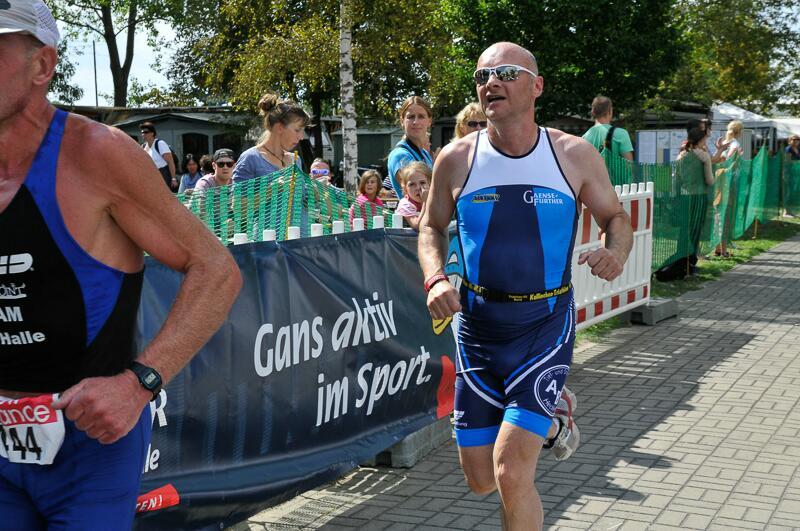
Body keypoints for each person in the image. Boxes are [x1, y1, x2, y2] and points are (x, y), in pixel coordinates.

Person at [0, 3, 242, 529]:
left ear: (42, 65)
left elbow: (215, 269)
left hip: (90, 444)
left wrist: (138, 384)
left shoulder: (96, 154)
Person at [418, 42, 633, 530]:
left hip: (543, 327)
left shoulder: (573, 154)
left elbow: (615, 218)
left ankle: (543, 411)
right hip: (477, 330)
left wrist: (616, 253)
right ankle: (554, 418)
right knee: (481, 480)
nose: (490, 82)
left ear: (536, 87)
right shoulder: (456, 157)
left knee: (511, 473)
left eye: (506, 73)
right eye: (482, 75)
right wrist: (434, 277)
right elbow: (430, 225)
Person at [232, 93, 309, 185]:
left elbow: (300, 194)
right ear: (279, 127)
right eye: (297, 130)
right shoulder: (250, 158)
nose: (301, 137)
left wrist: (316, 189)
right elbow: (236, 194)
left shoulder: (296, 159)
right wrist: (271, 189)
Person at [677, 126, 715, 272]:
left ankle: (681, 260)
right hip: (698, 197)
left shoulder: (681, 155)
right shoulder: (704, 156)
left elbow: (677, 177)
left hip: (684, 196)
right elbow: (710, 180)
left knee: (684, 230)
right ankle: (691, 262)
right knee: (695, 230)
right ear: (701, 139)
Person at [384, 96, 436, 198]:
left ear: (429, 121)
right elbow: (418, 196)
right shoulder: (400, 155)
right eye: (410, 117)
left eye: (421, 116)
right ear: (402, 121)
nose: (416, 122)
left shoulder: (425, 153)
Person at [582, 95, 634, 161]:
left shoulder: (584, 137)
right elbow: (628, 164)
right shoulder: (621, 133)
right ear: (610, 111)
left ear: (593, 112)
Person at [140, 121, 178, 191]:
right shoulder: (143, 147)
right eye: (142, 132)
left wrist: (173, 179)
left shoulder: (160, 143)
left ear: (152, 133)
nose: (143, 134)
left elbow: (170, 161)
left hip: (163, 175)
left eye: (146, 132)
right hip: (151, 177)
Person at [395, 161, 430, 231]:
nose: (418, 188)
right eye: (412, 184)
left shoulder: (433, 199)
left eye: (422, 182)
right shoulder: (405, 204)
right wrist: (425, 202)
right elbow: (417, 226)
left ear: (430, 184)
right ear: (405, 189)